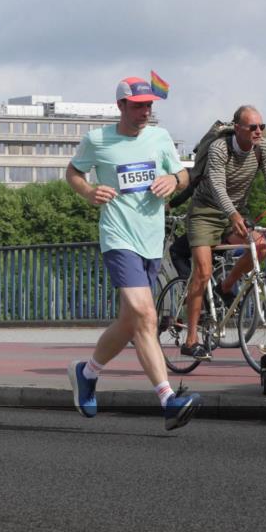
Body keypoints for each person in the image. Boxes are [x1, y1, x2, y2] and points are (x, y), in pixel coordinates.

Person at [66, 77, 202, 431]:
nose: (146, 112)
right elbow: (73, 172)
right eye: (139, 106)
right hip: (118, 236)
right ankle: (168, 399)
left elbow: (182, 175)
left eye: (149, 105)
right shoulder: (97, 140)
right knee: (146, 314)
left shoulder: (160, 137)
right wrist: (88, 191)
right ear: (121, 106)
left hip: (151, 239)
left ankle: (87, 372)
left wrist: (174, 181)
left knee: (131, 321)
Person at [181, 105, 266, 359]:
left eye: (262, 127)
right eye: (252, 127)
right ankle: (190, 339)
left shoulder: (264, 148)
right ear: (237, 128)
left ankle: (226, 286)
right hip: (205, 212)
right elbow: (217, 185)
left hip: (236, 213)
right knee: (203, 271)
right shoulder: (219, 148)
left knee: (261, 246)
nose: (259, 131)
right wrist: (232, 214)